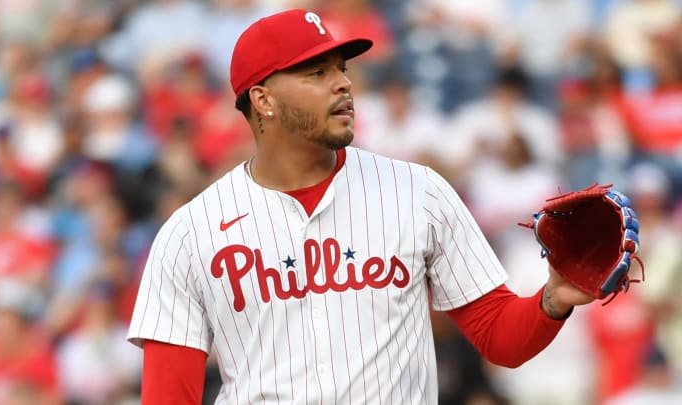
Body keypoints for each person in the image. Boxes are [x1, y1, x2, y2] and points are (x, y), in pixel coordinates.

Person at [127, 9, 596, 404]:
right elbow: (170, 395)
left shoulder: (418, 191)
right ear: (263, 99)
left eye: (341, 68)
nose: (342, 84)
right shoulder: (192, 232)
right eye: (317, 72)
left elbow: (498, 335)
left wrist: (552, 300)